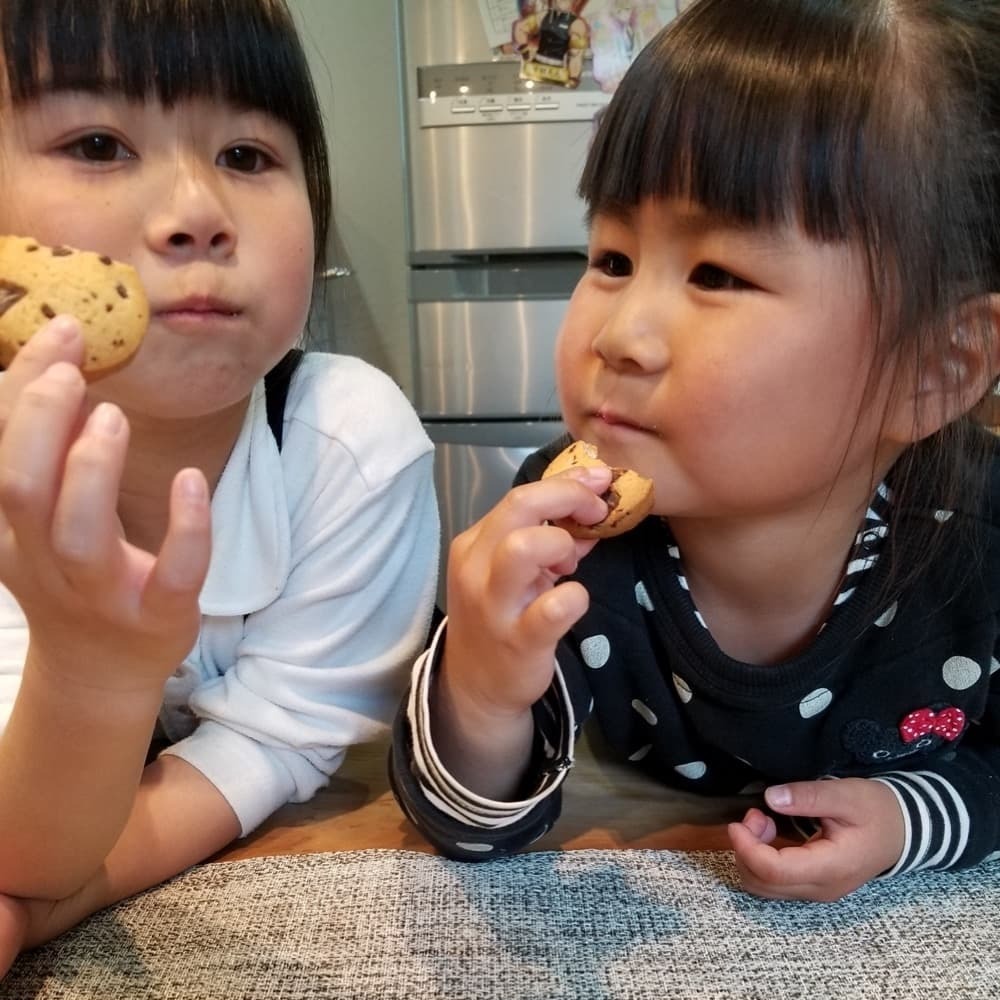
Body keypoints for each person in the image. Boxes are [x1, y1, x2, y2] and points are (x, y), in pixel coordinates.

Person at [391, 0, 1000, 902]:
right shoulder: (572, 533)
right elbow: (474, 828)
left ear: (931, 368)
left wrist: (909, 817)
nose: (622, 334)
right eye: (611, 257)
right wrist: (481, 695)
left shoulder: (980, 537)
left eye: (716, 273)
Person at [0, 0, 438, 973]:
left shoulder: (350, 450)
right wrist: (85, 666)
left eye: (246, 155)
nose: (198, 211)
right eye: (101, 142)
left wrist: (37, 909)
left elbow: (268, 751)